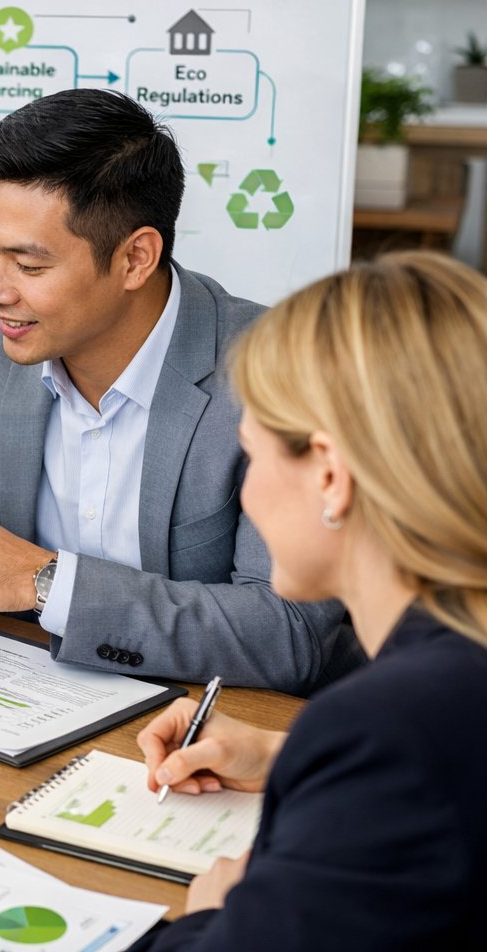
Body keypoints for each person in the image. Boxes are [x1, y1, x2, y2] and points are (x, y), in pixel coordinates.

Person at [0, 89, 358, 694]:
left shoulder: (284, 372)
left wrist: (44, 582)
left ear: (136, 258)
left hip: (210, 719)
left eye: (28, 266)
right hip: (15, 693)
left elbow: (290, 632)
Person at [129, 250, 487, 948]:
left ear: (330, 476)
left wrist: (210, 914)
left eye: (254, 456)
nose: (247, 494)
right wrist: (291, 755)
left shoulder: (385, 728)